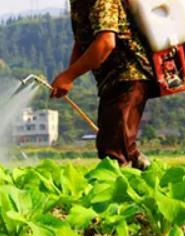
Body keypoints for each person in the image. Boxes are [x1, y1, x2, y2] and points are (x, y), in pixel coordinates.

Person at [50, 0, 156, 170]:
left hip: (128, 75)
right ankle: (150, 175)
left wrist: (68, 76)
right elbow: (82, 41)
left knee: (112, 150)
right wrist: (68, 77)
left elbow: (106, 42)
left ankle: (121, 192)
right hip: (112, 81)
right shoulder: (78, 3)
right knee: (123, 145)